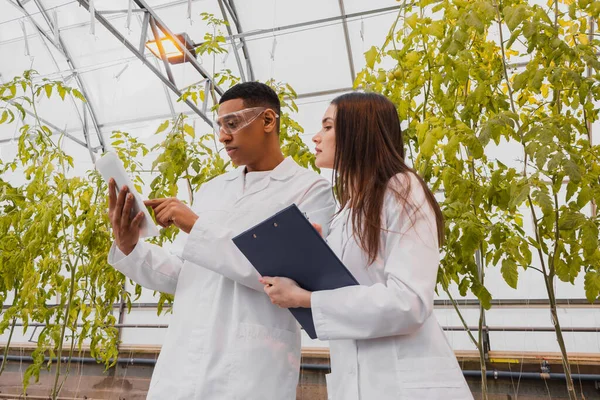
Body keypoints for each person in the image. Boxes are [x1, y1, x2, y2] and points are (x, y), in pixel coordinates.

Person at [107, 82, 335, 400]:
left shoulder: (310, 191)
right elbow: (181, 273)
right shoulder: (212, 190)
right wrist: (131, 246)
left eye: (232, 124)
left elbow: (287, 277)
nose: (223, 136)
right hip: (182, 365)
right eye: (220, 126)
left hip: (249, 372)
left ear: (268, 121)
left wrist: (195, 225)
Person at [260, 92, 474, 400]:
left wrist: (308, 299)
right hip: (360, 379)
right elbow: (352, 286)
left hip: (404, 383)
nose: (316, 137)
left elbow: (409, 302)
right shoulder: (349, 208)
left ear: (358, 132)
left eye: (328, 127)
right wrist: (313, 255)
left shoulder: (401, 190)